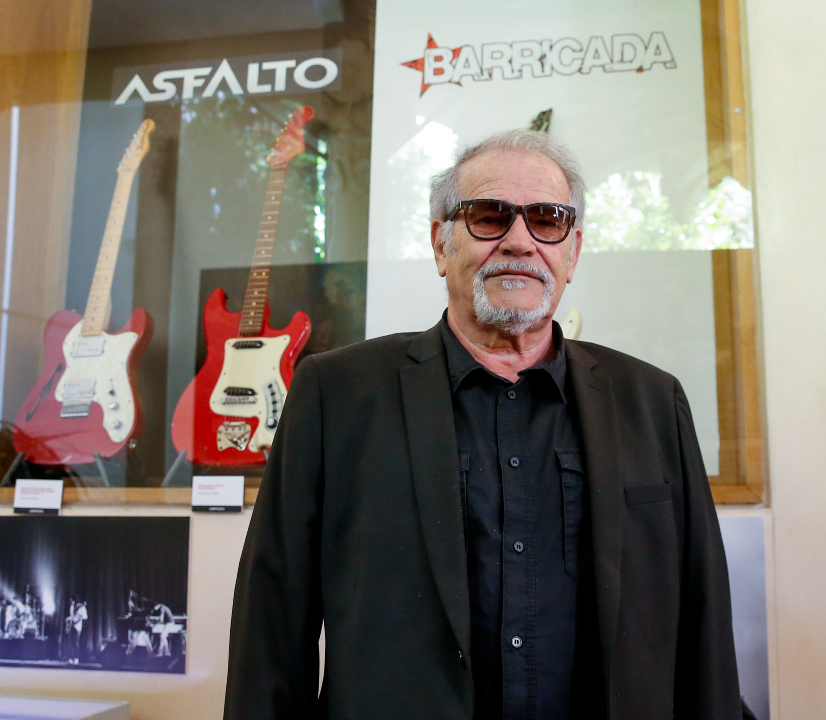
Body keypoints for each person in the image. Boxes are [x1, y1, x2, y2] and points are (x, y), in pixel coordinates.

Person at [225, 129, 740, 720]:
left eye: (547, 220)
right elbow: (271, 621)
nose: (520, 241)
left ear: (572, 252)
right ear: (441, 245)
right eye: (489, 217)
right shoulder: (335, 395)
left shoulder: (653, 402)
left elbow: (704, 619)